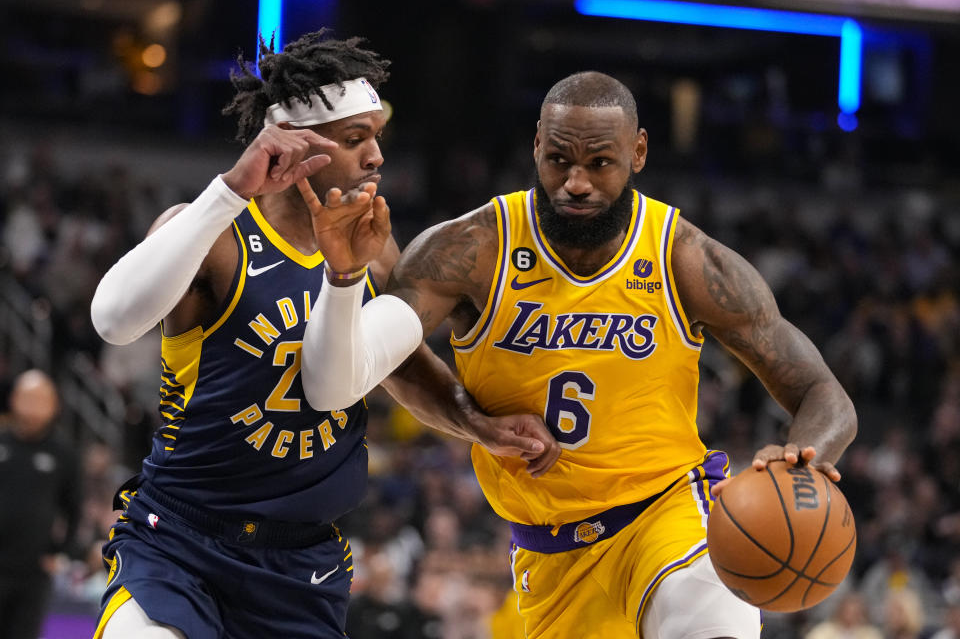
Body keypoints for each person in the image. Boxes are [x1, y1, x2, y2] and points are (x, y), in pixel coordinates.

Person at [298, 70, 858, 638]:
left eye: (599, 163)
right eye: (560, 160)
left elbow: (822, 393)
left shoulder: (685, 259)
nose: (576, 182)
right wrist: (474, 422)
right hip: (549, 553)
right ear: (537, 146)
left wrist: (801, 460)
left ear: (638, 153)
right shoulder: (472, 248)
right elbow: (381, 358)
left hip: (668, 517)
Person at [88, 30, 555, 639]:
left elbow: (399, 362)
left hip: (301, 562)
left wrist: (477, 424)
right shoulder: (216, 235)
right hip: (182, 541)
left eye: (377, 137)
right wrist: (230, 188)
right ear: (294, 143)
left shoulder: (375, 245)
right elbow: (114, 318)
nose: (376, 157)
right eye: (356, 138)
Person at [0, 369, 81, 639]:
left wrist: (61, 552)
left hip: (33, 569)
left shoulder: (63, 452)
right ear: (14, 399)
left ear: (54, 404)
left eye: (40, 399)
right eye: (27, 398)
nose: (33, 406)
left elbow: (74, 508)